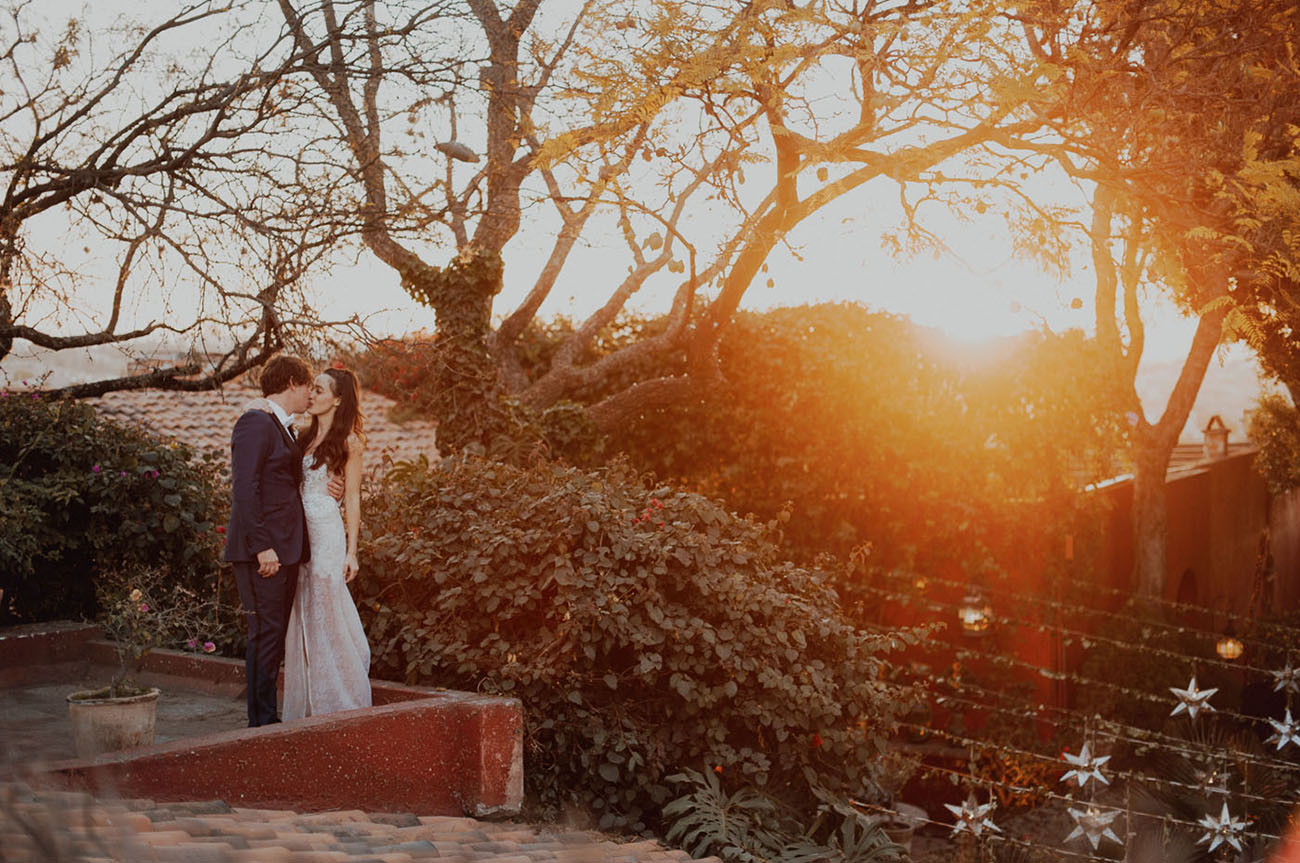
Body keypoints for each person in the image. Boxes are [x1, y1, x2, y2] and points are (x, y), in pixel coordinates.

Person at [225, 354, 313, 727]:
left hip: (284, 550)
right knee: (264, 635)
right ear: (292, 382)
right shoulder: (255, 423)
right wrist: (263, 546)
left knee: (273, 635)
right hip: (264, 552)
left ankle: (267, 720)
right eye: (309, 386)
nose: (311, 394)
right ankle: (261, 723)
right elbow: (245, 489)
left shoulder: (282, 426)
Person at [281, 367, 372, 719]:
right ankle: (310, 700)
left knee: (327, 611)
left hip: (327, 536)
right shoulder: (301, 438)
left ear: (337, 398)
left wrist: (352, 551)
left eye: (319, 390)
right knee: (303, 611)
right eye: (313, 389)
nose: (312, 395)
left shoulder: (349, 442)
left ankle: (340, 698)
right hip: (299, 536)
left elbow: (351, 498)